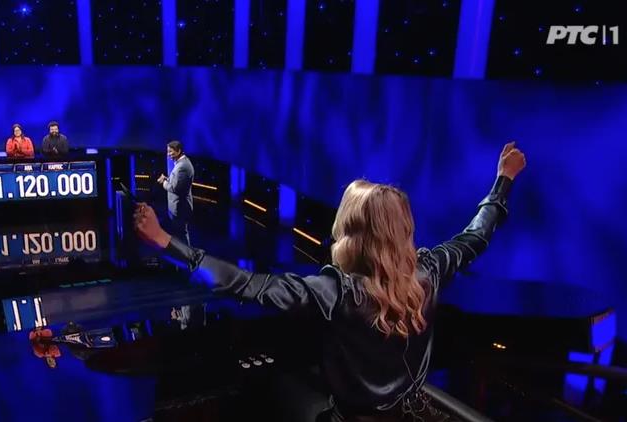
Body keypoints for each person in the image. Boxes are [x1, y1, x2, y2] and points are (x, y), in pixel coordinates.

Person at [135, 142, 526, 421]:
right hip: (405, 414)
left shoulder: (336, 291)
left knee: (270, 391)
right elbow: (476, 235)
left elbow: (246, 285)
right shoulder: (431, 270)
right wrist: (503, 180)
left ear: (350, 230)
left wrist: (167, 242)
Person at [157, 140, 194, 246]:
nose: (168, 155)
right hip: (178, 207)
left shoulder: (182, 167)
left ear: (178, 151)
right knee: (179, 234)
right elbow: (178, 183)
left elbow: (174, 188)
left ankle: (187, 254)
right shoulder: (181, 163)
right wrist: (167, 179)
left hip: (180, 207)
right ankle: (183, 253)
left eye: (170, 152)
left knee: (181, 234)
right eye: (167, 152)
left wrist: (163, 182)